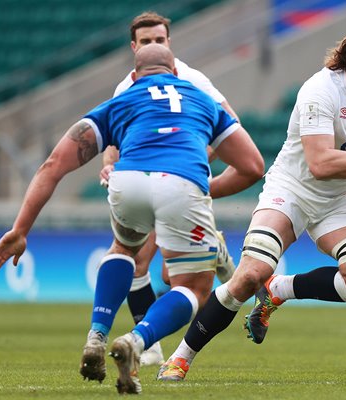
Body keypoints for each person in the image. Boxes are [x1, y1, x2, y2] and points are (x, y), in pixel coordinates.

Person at [156, 21, 346, 381]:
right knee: (249, 275)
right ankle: (180, 357)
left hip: (340, 198)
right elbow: (320, 163)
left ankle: (280, 289)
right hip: (292, 190)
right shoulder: (320, 91)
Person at [0, 44, 264, 394]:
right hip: (181, 182)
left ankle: (96, 335)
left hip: (128, 180)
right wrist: (203, 189)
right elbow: (253, 166)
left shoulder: (119, 102)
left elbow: (52, 165)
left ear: (134, 76)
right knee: (193, 288)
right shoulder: (202, 99)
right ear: (176, 73)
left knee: (124, 248)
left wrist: (20, 229)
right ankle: (136, 340)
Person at [100, 11, 243, 367]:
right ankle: (147, 346)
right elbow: (116, 135)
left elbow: (230, 123)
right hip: (148, 180)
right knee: (137, 264)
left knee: (170, 274)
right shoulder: (126, 86)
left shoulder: (192, 79)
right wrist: (108, 162)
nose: (153, 45)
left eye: (159, 40)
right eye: (146, 41)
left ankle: (214, 250)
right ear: (134, 47)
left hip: (182, 184)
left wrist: (194, 155)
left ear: (169, 42)